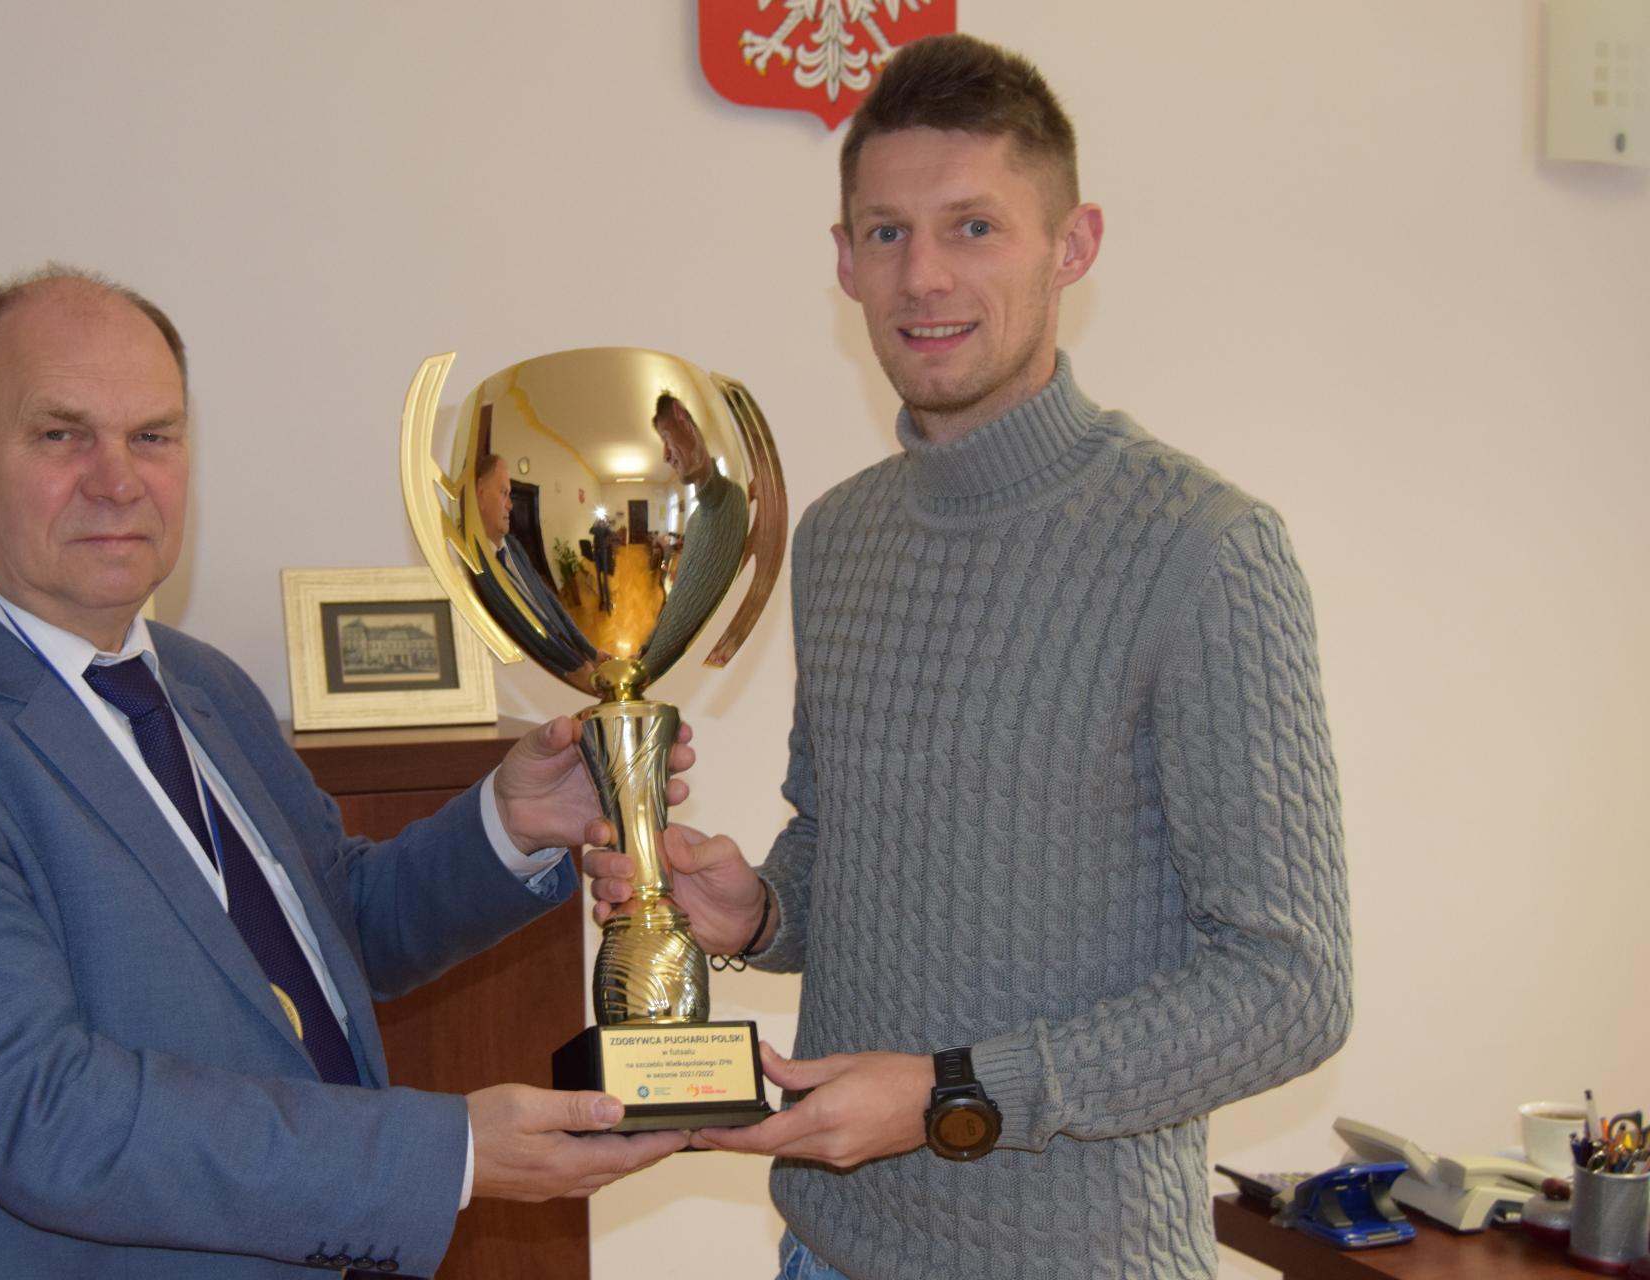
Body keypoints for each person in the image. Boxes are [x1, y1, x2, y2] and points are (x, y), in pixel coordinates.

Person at [586, 34, 1351, 1280]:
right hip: (829, 1252)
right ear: (842, 258)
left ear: (1074, 244)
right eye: (886, 233)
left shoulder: (1206, 550)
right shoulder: (839, 538)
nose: (923, 275)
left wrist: (958, 1092)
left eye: (975, 227)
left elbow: (1291, 983)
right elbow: (856, 848)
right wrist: (761, 910)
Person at [0, 267, 690, 1280]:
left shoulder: (199, 684)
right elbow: (46, 1113)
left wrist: (508, 823)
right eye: (61, 434)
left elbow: (337, 931)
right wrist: (449, 1153)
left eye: (152, 435)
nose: (118, 478)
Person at [641, 392, 750, 673]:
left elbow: (689, 617)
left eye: (666, 437)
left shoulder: (730, 500)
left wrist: (645, 669)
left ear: (681, 416)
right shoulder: (695, 519)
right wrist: (648, 645)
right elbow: (679, 600)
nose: (665, 455)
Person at [471, 452, 599, 679]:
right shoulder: (478, 570)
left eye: (510, 494)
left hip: (574, 657)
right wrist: (571, 671)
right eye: (504, 493)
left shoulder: (514, 546)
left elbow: (550, 601)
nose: (510, 505)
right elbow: (523, 639)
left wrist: (591, 652)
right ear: (481, 494)